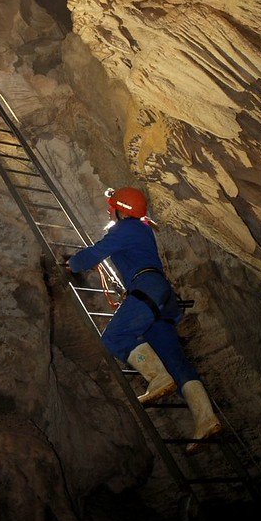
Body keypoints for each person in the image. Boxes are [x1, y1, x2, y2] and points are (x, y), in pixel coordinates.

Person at [65, 186, 222, 454]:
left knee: (115, 338)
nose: (109, 210)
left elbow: (95, 252)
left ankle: (157, 378)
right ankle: (207, 419)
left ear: (119, 209)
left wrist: (74, 263)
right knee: (176, 361)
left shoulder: (125, 230)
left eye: (112, 206)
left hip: (146, 289)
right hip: (161, 296)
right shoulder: (141, 230)